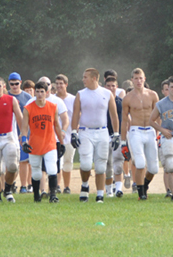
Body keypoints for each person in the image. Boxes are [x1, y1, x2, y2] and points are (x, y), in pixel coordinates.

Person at [71, 68, 120, 203]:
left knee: (101, 165)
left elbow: (113, 115)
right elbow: (75, 114)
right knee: (86, 164)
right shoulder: (80, 94)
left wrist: (116, 134)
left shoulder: (106, 93)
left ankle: (100, 194)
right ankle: (85, 185)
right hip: (85, 131)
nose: (83, 79)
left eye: (85, 77)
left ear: (94, 78)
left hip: (102, 132)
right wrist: (74, 132)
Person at [24, 76, 69, 198]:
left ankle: (53, 195)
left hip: (50, 143)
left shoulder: (53, 106)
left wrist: (62, 142)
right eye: (37, 91)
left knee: (52, 168)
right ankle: (36, 195)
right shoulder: (28, 108)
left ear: (47, 92)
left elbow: (57, 126)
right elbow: (24, 128)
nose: (39, 94)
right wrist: (24, 141)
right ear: (34, 92)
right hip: (34, 144)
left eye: (42, 91)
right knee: (37, 172)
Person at [120, 68, 160, 200]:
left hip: (150, 130)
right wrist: (123, 140)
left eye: (140, 78)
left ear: (144, 79)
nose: (138, 81)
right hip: (135, 131)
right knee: (140, 163)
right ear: (132, 80)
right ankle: (141, 193)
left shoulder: (153, 95)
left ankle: (144, 185)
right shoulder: (127, 98)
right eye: (136, 78)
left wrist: (158, 132)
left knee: (154, 168)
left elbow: (158, 115)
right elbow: (124, 120)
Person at [8, 73, 33, 194]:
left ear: (20, 82)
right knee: (10, 161)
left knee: (24, 161)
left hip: (24, 132)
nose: (14, 86)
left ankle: (23, 186)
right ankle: (11, 184)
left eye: (16, 83)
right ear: (8, 84)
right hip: (9, 132)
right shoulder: (5, 96)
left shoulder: (27, 97)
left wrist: (25, 133)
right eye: (11, 84)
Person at [54, 74, 76, 194]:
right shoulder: (52, 99)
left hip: (68, 136)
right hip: (55, 137)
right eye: (57, 83)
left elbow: (77, 116)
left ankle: (66, 186)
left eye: (61, 83)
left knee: (68, 162)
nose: (59, 86)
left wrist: (75, 131)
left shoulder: (72, 99)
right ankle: (57, 185)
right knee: (57, 162)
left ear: (66, 84)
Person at [104, 76, 125, 197]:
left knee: (118, 161)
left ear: (117, 87)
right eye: (108, 86)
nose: (111, 88)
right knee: (107, 164)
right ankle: (108, 190)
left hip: (117, 135)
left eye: (113, 86)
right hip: (104, 134)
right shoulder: (101, 101)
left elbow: (126, 119)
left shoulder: (120, 102)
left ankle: (118, 189)